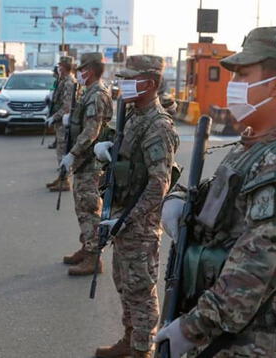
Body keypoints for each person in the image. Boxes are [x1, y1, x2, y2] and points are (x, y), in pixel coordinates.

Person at [154, 26, 276, 357]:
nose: (232, 86)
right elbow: (212, 196)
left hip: (259, 344)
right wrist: (179, 201)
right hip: (229, 337)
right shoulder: (256, 145)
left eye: (242, 75)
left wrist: (191, 328)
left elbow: (256, 270)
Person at [93, 55, 179, 358]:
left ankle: (143, 349)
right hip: (123, 215)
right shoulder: (133, 115)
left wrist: (127, 219)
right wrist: (109, 151)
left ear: (151, 83)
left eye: (131, 79)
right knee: (123, 283)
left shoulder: (157, 125)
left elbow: (159, 183)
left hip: (139, 223)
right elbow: (130, 161)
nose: (124, 85)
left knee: (140, 291)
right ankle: (130, 340)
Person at [59, 52, 113, 276]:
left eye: (82, 69)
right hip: (85, 161)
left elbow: (92, 131)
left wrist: (72, 153)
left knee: (89, 208)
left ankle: (94, 257)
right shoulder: (90, 92)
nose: (79, 72)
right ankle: (86, 246)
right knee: (82, 207)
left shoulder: (96, 94)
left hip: (90, 162)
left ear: (89, 70)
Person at [45, 56, 77, 192]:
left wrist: (54, 117)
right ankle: (62, 177)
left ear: (67, 67)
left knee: (63, 152)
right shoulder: (62, 80)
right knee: (60, 151)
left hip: (65, 123)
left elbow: (67, 107)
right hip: (60, 122)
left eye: (61, 66)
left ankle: (65, 181)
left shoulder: (69, 82)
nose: (59, 68)